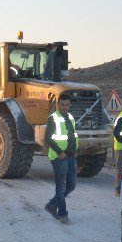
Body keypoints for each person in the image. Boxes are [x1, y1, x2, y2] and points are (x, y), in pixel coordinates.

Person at [44, 92, 78, 223]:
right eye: (62, 105)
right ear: (58, 104)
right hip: (59, 157)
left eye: (67, 105)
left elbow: (73, 135)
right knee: (61, 186)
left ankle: (52, 205)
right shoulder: (53, 118)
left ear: (70, 105)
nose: (65, 107)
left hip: (71, 155)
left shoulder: (70, 117)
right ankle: (63, 214)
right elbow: (48, 139)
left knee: (72, 185)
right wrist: (59, 152)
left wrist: (76, 149)